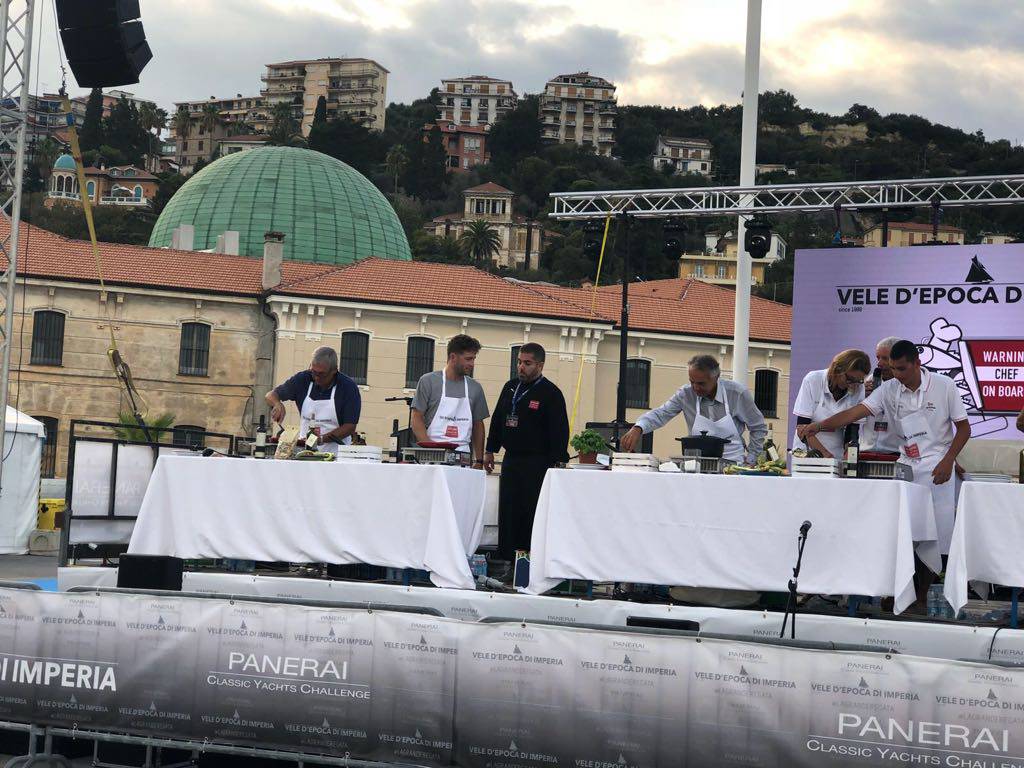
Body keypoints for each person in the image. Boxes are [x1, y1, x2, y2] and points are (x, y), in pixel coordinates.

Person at [798, 340, 970, 574]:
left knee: (936, 536)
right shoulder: (889, 389)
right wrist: (819, 426)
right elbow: (854, 413)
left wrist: (949, 460)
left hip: (937, 467)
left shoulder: (944, 385)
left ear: (917, 363)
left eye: (901, 369)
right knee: (902, 531)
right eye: (893, 368)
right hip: (906, 465)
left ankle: (925, 595)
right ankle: (902, 589)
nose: (896, 374)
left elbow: (964, 429)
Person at [484, 344, 569, 569]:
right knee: (508, 512)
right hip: (512, 460)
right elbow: (498, 420)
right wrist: (490, 449)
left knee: (530, 513)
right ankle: (507, 563)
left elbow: (560, 431)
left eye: (527, 363)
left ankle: (528, 566)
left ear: (540, 365)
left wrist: (558, 462)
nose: (521, 367)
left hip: (537, 463)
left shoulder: (551, 393)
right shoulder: (510, 387)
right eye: (519, 362)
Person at [620, 354, 767, 464]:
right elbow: (661, 413)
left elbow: (758, 427)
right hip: (696, 464)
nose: (695, 388)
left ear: (716, 378)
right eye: (692, 382)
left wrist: (752, 459)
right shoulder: (685, 394)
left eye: (701, 383)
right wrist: (638, 427)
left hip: (734, 465)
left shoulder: (737, 393)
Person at [265, 346, 361, 455]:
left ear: (334, 370)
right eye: (313, 372)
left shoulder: (348, 387)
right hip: (303, 452)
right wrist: (277, 404)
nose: (316, 377)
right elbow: (270, 395)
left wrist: (320, 439)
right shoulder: (303, 379)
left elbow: (350, 427)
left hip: (336, 454)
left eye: (321, 374)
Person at [411, 334, 489, 467]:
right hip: (432, 457)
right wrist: (430, 448)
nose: (472, 364)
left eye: (474, 359)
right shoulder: (428, 381)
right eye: (468, 359)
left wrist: (479, 460)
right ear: (453, 357)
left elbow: (478, 425)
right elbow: (416, 418)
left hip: (463, 457)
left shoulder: (475, 388)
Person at [791, 349, 871, 459]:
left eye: (859, 381)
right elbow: (802, 428)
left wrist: (849, 455)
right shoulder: (813, 380)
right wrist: (825, 454)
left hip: (836, 454)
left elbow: (852, 431)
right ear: (837, 369)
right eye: (849, 379)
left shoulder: (858, 388)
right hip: (807, 452)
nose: (853, 385)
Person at [861, 337, 902, 452]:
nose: (879, 363)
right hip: (867, 451)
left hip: (897, 453)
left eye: (885, 358)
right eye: (878, 358)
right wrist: (860, 396)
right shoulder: (869, 381)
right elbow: (851, 415)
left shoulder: (909, 385)